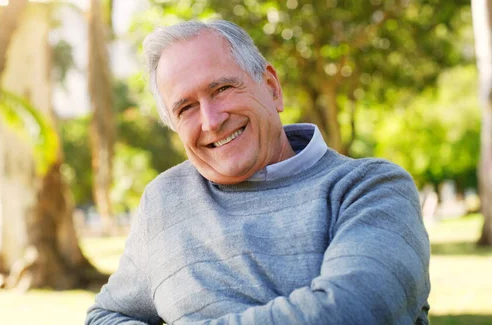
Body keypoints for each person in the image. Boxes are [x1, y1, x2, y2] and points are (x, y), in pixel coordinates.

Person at [86, 19, 430, 325]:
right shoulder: (163, 201)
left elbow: (355, 309)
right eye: (186, 108)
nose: (211, 121)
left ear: (271, 87)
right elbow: (107, 315)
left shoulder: (371, 187)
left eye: (221, 89)